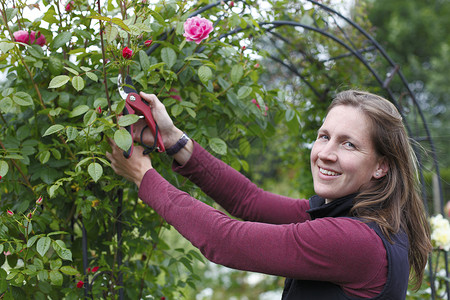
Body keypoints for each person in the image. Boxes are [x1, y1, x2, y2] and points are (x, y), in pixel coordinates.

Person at [106, 89, 432, 299]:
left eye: (349, 144)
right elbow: (250, 201)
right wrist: (173, 138)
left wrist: (143, 176)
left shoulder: (355, 240)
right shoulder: (364, 218)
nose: (325, 153)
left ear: (381, 166)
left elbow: (226, 242)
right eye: (324, 136)